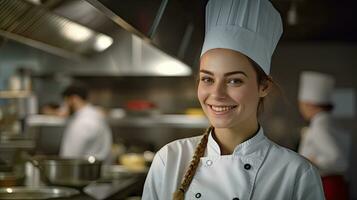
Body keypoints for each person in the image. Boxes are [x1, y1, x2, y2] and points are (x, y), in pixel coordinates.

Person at [142, 0, 325, 199]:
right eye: (207, 79)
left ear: (263, 87)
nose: (217, 93)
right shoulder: (170, 159)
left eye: (234, 80)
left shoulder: (296, 174)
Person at [298, 71, 350, 200]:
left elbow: (339, 161)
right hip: (335, 184)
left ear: (309, 104)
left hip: (326, 186)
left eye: (301, 104)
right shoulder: (331, 122)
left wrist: (312, 161)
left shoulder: (319, 126)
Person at [59, 83, 112, 162]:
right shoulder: (96, 115)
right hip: (97, 167)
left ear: (74, 99)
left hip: (82, 171)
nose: (65, 106)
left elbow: (69, 156)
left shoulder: (82, 122)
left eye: (66, 101)